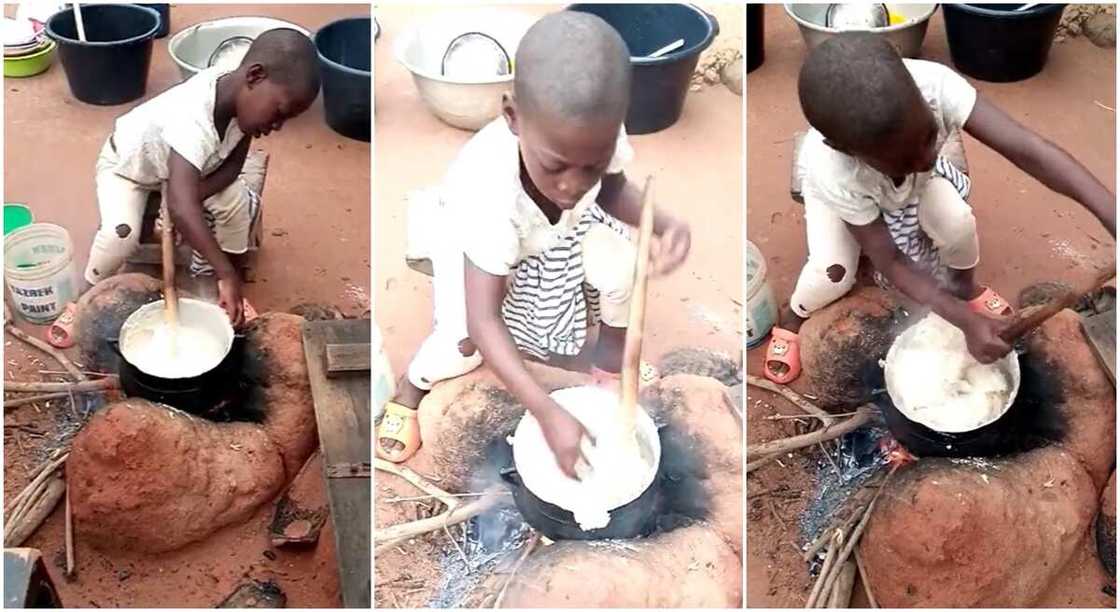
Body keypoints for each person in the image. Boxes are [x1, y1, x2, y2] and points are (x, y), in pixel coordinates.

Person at [376, 11, 692, 476]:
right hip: (474, 239)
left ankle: (608, 363)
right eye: (557, 165)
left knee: (622, 265)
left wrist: (663, 223)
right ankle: (411, 390)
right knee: (462, 345)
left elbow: (611, 188)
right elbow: (484, 320)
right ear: (513, 117)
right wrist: (547, 413)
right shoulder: (489, 193)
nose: (573, 184)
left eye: (592, 162)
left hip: (553, 230)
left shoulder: (592, 130)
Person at [763, 34, 1116, 384]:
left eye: (930, 136)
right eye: (904, 159)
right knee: (832, 272)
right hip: (845, 198)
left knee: (957, 222)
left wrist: (1109, 211)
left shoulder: (935, 86)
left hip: (911, 184)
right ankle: (793, 317)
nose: (928, 157)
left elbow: (1030, 149)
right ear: (843, 148)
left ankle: (965, 289)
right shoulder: (835, 171)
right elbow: (891, 261)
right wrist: (964, 321)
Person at [46, 28, 321, 348]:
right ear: (255, 76)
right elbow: (180, 204)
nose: (277, 126)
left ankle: (222, 283)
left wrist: (189, 200)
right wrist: (180, 205)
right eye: (279, 113)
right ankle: (83, 298)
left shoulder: (243, 101)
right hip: (130, 170)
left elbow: (232, 167)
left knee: (236, 204)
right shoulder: (194, 116)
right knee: (119, 234)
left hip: (194, 169)